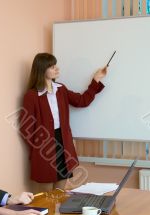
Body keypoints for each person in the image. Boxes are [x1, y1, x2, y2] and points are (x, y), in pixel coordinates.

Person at [20, 53, 107, 191]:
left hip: (63, 145)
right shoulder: (31, 95)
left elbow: (82, 101)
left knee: (60, 195)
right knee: (46, 198)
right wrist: (38, 148)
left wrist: (95, 80)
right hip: (44, 147)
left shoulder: (61, 89)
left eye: (56, 65)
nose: (57, 69)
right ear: (42, 69)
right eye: (52, 66)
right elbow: (26, 128)